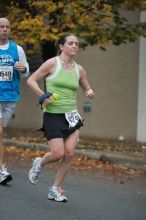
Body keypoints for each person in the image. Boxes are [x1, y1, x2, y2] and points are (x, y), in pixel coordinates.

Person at [27, 33, 95, 202]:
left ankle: (54, 189)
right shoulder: (52, 63)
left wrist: (89, 91)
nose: (74, 46)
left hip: (71, 115)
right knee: (57, 153)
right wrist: (43, 96)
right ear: (61, 46)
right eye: (71, 43)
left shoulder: (79, 69)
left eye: (77, 44)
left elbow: (86, 87)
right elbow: (31, 80)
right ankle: (39, 163)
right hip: (53, 115)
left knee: (70, 153)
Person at [0, 18, 29, 185]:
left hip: (10, 97)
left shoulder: (17, 49)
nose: (4, 29)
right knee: (0, 133)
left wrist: (23, 69)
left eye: (7, 27)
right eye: (1, 27)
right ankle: (2, 170)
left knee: (1, 132)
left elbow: (26, 72)